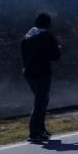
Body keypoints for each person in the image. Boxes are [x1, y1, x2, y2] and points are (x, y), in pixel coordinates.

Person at [21, 13, 61, 142]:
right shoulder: (47, 37)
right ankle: (34, 133)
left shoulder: (26, 38)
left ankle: (41, 130)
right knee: (40, 101)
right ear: (48, 24)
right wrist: (58, 48)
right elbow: (56, 56)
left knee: (42, 100)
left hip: (28, 73)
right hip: (43, 73)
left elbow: (24, 57)